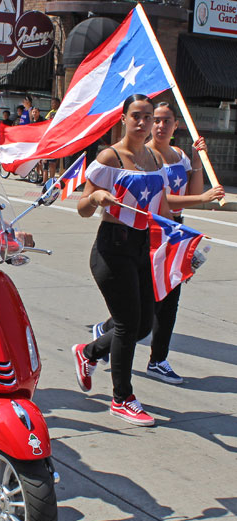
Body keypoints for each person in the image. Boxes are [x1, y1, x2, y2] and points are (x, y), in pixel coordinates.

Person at [93, 103, 226, 384]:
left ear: (176, 125)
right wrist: (201, 200)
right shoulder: (145, 159)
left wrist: (198, 159)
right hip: (149, 229)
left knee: (169, 299)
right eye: (156, 120)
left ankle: (156, 357)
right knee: (144, 309)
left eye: (165, 120)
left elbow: (193, 191)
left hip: (172, 228)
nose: (159, 126)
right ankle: (109, 352)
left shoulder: (177, 156)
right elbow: (162, 202)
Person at [71, 94, 173, 427]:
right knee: (129, 323)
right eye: (136, 116)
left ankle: (89, 353)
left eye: (148, 116)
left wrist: (180, 242)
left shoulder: (155, 159)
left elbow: (162, 207)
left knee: (144, 323)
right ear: (123, 120)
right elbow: (83, 207)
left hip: (142, 246)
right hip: (112, 247)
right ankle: (122, 398)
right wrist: (97, 196)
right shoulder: (110, 156)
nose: (143, 123)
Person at [42, 97, 61, 185]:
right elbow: (46, 122)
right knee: (45, 161)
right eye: (52, 103)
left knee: (52, 163)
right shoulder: (50, 112)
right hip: (48, 139)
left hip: (55, 139)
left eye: (54, 103)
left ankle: (52, 180)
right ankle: (45, 181)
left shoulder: (59, 112)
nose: (52, 105)